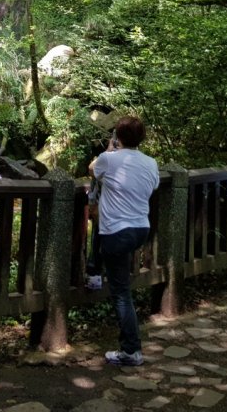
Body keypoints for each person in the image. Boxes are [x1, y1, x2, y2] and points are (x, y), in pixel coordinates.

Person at [89, 115, 159, 367]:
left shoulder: (109, 159)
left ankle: (131, 350)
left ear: (117, 136)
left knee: (121, 293)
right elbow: (152, 187)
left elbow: (93, 171)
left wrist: (109, 151)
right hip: (141, 228)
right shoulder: (151, 163)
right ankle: (94, 273)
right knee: (123, 286)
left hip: (116, 232)